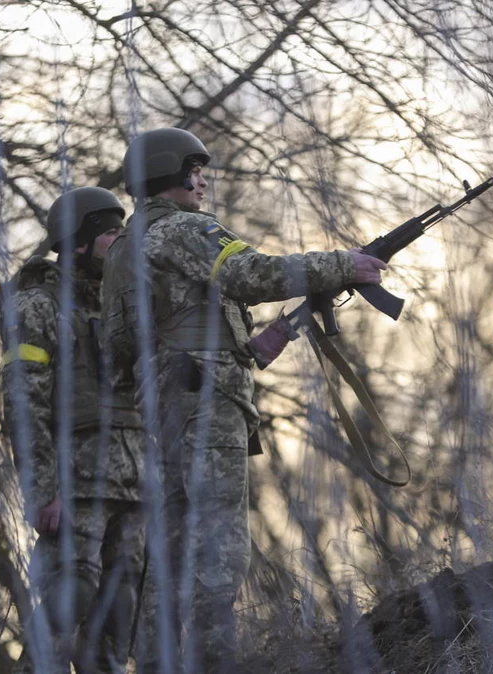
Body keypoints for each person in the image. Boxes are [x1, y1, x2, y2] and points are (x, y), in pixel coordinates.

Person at [101, 127, 387, 672]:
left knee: (174, 546)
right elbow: (255, 274)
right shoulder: (184, 228)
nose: (203, 180)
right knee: (219, 544)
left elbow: (134, 340)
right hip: (205, 400)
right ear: (173, 173)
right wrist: (343, 265)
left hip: (166, 401)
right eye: (196, 169)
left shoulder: (125, 248)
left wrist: (246, 347)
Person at [2, 187, 144, 673]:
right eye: (110, 234)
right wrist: (43, 489)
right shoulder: (38, 307)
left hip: (134, 487)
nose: (121, 244)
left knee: (117, 622)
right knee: (69, 603)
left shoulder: (125, 306)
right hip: (74, 488)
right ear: (79, 242)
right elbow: (24, 403)